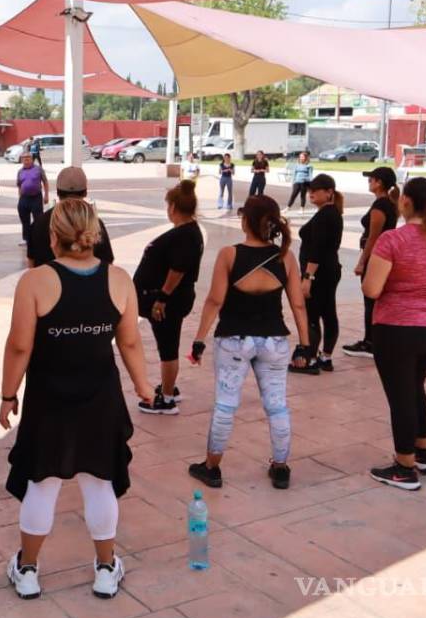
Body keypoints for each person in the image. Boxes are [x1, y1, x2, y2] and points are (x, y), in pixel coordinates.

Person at [0, 198, 151, 601]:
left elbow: (19, 347)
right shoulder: (119, 279)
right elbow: (130, 341)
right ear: (94, 234)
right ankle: (105, 570)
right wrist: (143, 386)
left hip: (49, 399)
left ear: (54, 236)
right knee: (99, 482)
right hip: (100, 396)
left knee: (43, 483)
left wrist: (7, 395)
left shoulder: (34, 281)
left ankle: (28, 571)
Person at [187, 195, 311, 490]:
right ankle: (280, 467)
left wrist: (199, 340)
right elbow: (298, 305)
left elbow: (215, 300)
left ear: (247, 221)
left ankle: (212, 467)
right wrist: (305, 345)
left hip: (233, 340)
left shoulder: (229, 254)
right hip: (275, 341)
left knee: (225, 405)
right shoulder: (286, 257)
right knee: (277, 406)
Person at [363, 177, 426, 490]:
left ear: (405, 201)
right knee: (415, 388)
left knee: (402, 396)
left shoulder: (393, 240)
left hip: (396, 329)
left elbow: (372, 288)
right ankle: (423, 451)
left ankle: (404, 466)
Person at [133, 180, 203, 414]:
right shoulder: (187, 232)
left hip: (167, 303)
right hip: (170, 299)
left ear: (173, 207)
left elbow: (178, 269)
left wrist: (161, 298)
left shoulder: (184, 235)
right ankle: (169, 386)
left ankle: (167, 398)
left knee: (168, 347)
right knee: (168, 343)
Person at [343, 167, 400, 359]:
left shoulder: (380, 207)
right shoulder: (390, 204)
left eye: (372, 180)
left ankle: (371, 342)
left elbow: (373, 238)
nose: (369, 183)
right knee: (378, 301)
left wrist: (361, 262)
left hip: (375, 257)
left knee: (371, 300)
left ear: (380, 183)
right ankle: (378, 340)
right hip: (383, 257)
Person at [292, 174, 344, 375]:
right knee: (328, 312)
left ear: (329, 192)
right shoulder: (330, 213)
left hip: (319, 273)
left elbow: (318, 249)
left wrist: (308, 278)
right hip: (329, 270)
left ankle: (311, 358)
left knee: (312, 314)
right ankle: (325, 357)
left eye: (316, 189)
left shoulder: (325, 215)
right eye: (309, 189)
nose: (311, 193)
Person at [27, 167, 114, 268]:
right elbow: (107, 265)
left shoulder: (38, 223)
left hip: (45, 282)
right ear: (85, 192)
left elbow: (31, 263)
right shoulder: (95, 224)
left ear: (58, 192)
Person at [15, 152, 48, 249]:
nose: (26, 160)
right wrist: (20, 196)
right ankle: (26, 238)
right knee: (25, 219)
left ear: (32, 159)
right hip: (24, 198)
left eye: (28, 158)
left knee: (38, 220)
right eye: (24, 158)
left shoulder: (38, 169)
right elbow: (19, 184)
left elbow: (45, 182)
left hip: (36, 197)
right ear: (21, 160)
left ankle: (39, 238)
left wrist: (46, 195)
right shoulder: (20, 171)